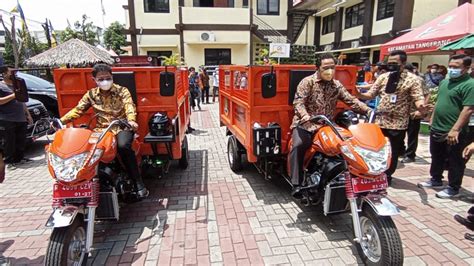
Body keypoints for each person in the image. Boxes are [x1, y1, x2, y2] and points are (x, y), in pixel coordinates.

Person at [60, 64, 148, 198]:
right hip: (101, 130)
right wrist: (61, 121)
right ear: (94, 79)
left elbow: (129, 105)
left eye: (108, 77)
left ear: (112, 77)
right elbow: (78, 110)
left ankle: (138, 182)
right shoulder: (91, 95)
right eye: (101, 79)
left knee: (123, 147)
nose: (105, 81)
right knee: (87, 149)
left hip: (121, 126)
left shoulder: (122, 91)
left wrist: (131, 120)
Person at [290, 53, 372, 198]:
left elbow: (351, 100)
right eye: (325, 68)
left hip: (328, 125)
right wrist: (305, 116)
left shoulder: (336, 85)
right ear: (318, 68)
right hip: (306, 124)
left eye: (332, 67)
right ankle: (296, 183)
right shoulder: (307, 82)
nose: (329, 71)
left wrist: (368, 110)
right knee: (298, 145)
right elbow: (298, 102)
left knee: (346, 145)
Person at [357, 50, 427, 185]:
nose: (391, 66)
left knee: (392, 152)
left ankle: (387, 176)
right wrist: (356, 92)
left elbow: (418, 98)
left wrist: (421, 108)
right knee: (376, 149)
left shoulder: (413, 80)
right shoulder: (383, 77)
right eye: (389, 63)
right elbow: (370, 95)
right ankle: (375, 173)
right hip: (379, 121)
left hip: (397, 124)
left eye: (394, 63)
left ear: (403, 63)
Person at [418, 54, 473, 198]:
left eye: (456, 67)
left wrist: (455, 129)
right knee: (436, 155)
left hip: (454, 130)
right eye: (450, 66)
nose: (452, 69)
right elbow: (438, 102)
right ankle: (436, 179)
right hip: (437, 127)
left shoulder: (470, 85)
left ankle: (453, 187)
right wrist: (432, 118)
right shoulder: (445, 82)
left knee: (455, 160)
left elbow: (468, 109)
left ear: (466, 68)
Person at [0, 65, 33, 182]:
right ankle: (9, 161)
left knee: (21, 139)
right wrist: (13, 95)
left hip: (20, 117)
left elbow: (22, 101)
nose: (13, 74)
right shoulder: (1, 86)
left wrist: (27, 114)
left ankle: (19, 158)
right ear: (4, 74)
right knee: (9, 141)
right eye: (11, 72)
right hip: (6, 118)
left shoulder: (17, 85)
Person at [401, 63, 430, 163]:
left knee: (412, 135)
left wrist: (420, 111)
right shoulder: (399, 80)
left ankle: (410, 155)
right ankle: (401, 151)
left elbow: (427, 95)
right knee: (399, 134)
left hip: (414, 112)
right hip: (401, 112)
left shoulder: (418, 80)